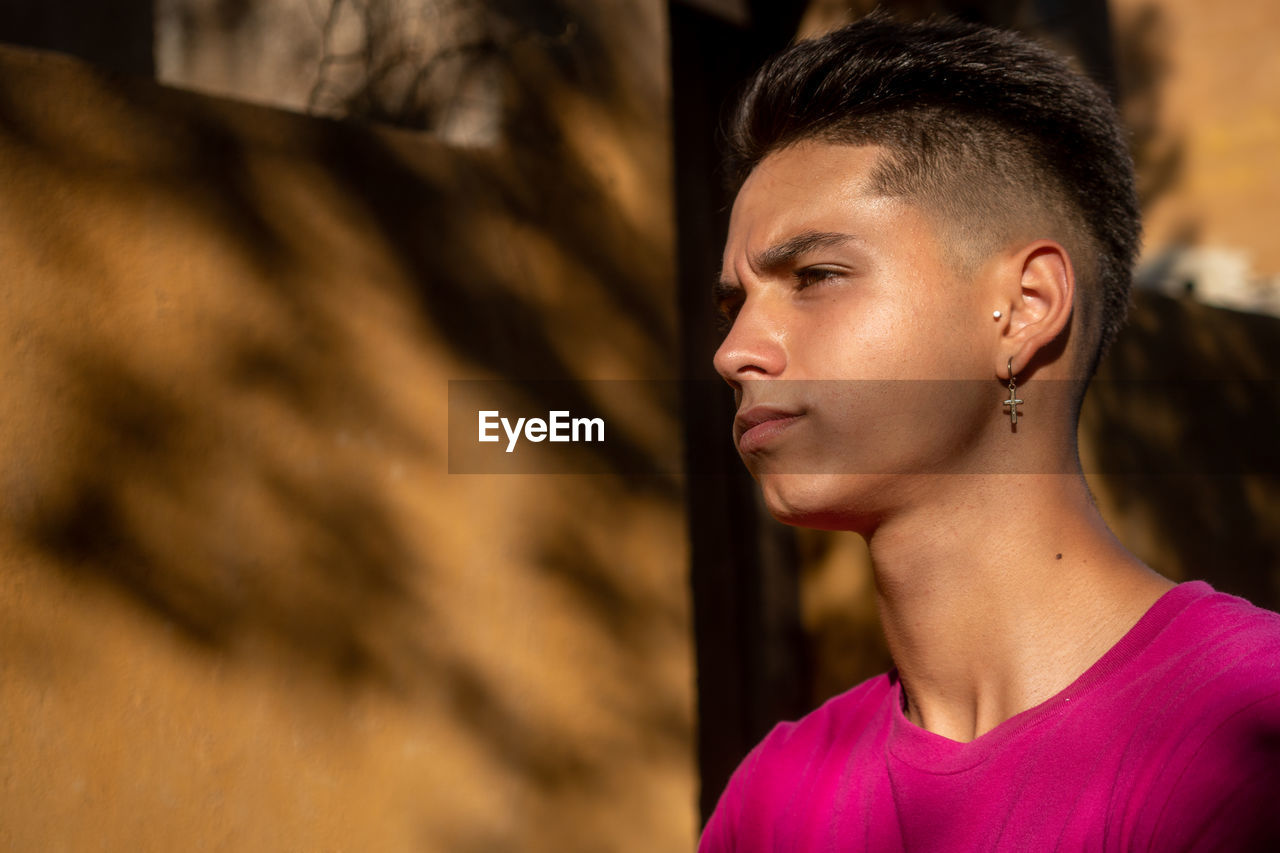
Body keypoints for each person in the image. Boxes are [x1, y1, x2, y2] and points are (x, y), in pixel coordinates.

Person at [701, 14, 1280, 851]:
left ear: (1025, 309)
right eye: (735, 303)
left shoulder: (1242, 730)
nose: (734, 352)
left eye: (816, 276)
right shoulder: (774, 795)